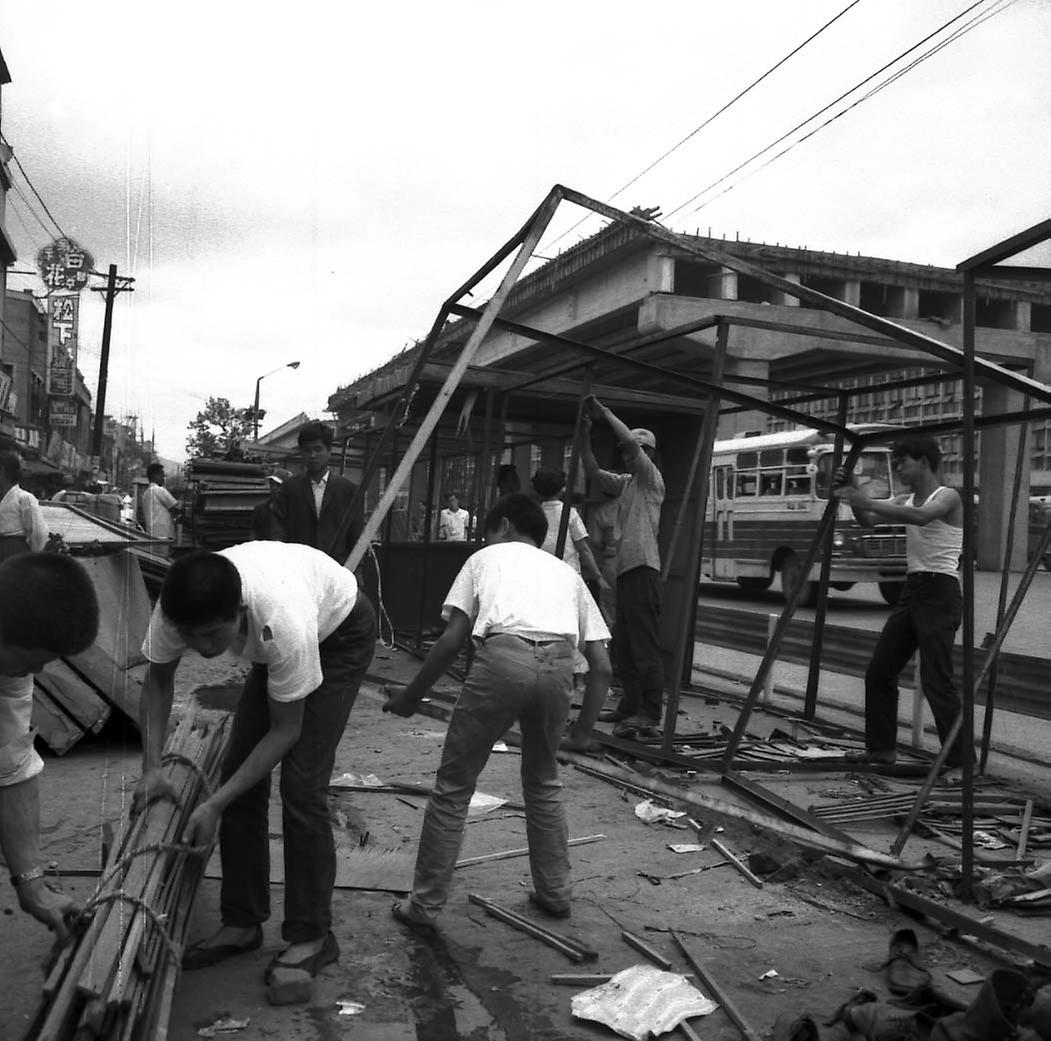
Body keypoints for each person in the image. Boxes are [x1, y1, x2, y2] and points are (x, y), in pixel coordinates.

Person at [134, 542, 376, 982]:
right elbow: (157, 683)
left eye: (211, 636)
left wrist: (214, 805)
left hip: (339, 631)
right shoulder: (177, 611)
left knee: (302, 786)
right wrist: (151, 769)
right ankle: (242, 922)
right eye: (192, 637)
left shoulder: (280, 621)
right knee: (237, 776)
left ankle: (312, 935)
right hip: (277, 632)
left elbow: (286, 729)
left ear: (239, 611)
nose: (202, 648)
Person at [383, 493, 611, 930]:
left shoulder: (486, 557)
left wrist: (411, 697)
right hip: (561, 665)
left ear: (503, 526)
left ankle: (425, 905)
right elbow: (601, 667)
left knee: (453, 787)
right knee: (544, 782)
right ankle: (555, 893)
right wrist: (583, 735)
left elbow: (452, 640)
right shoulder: (566, 573)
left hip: (503, 658)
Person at [835, 435, 968, 768]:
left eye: (902, 463)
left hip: (940, 591)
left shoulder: (948, 497)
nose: (899, 469)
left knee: (936, 681)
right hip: (913, 590)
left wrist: (861, 499)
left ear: (923, 461)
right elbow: (868, 521)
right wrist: (854, 494)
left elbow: (923, 518)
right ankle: (881, 751)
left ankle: (961, 763)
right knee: (879, 672)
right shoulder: (906, 499)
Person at [0, 553, 99, 940]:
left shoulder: (12, 666)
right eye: (30, 661)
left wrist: (33, 886)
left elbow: (9, 761)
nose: (36, 673)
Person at [580, 396, 665, 735]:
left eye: (640, 448)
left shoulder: (650, 479)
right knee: (625, 645)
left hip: (643, 569)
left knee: (644, 645)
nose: (631, 452)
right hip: (627, 573)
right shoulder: (627, 483)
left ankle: (650, 712)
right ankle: (630, 705)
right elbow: (592, 472)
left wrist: (605, 413)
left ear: (648, 453)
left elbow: (629, 443)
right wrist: (585, 436)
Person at [272, 421, 362, 563]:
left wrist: (356, 573)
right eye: (307, 450)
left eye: (318, 449)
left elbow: (356, 536)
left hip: (335, 567)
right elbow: (278, 530)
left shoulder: (348, 490)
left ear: (329, 450)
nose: (312, 455)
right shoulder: (290, 488)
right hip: (300, 567)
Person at [530, 467, 608, 594]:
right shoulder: (569, 513)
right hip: (568, 574)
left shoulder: (534, 514)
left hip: (542, 576)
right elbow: (583, 549)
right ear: (562, 489)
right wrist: (598, 577)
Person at [0, 451, 49, 562]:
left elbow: (38, 533)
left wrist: (33, 555)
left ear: (2, 470)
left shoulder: (25, 498)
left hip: (14, 552)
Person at [141, 462, 180, 556]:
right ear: (155, 475)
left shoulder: (146, 493)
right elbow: (176, 507)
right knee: (163, 559)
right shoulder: (159, 490)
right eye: (162, 475)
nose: (164, 478)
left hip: (152, 534)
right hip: (163, 535)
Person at [251, 469, 292, 542]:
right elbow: (254, 532)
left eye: (278, 485)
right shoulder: (261, 509)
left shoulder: (295, 509)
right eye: (272, 484)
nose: (274, 488)